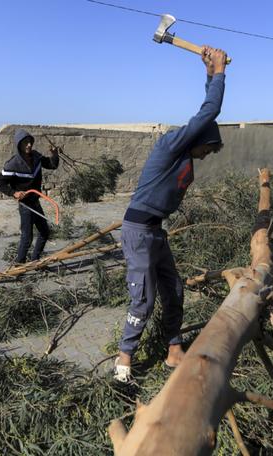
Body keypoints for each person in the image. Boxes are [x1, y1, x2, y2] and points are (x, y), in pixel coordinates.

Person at [114, 46, 228, 382]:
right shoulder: (170, 146)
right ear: (197, 139)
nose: (207, 155)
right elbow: (208, 113)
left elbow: (207, 119)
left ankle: (174, 349)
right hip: (138, 231)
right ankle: (123, 361)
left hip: (155, 232)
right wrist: (220, 72)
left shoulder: (186, 157)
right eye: (207, 148)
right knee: (144, 300)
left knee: (173, 289)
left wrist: (208, 73)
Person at [0, 129, 60, 264]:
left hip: (35, 202)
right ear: (19, 145)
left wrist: (54, 154)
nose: (29, 145)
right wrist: (14, 193)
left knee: (44, 232)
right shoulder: (13, 164)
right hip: (25, 205)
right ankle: (19, 265)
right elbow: (0, 183)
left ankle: (35, 260)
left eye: (30, 142)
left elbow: (52, 165)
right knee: (27, 237)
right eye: (25, 143)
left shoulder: (36, 157)